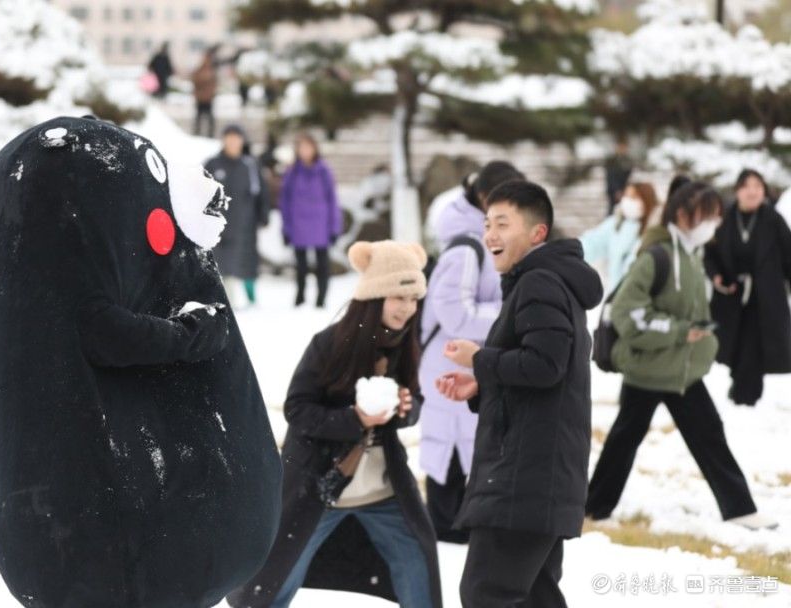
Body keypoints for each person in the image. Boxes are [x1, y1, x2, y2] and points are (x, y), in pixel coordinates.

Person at [227, 240, 442, 608]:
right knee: (273, 583)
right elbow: (298, 409)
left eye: (413, 299)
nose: (407, 309)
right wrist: (354, 418)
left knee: (418, 569)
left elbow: (416, 402)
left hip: (384, 492)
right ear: (375, 297)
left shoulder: (406, 345)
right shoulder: (330, 345)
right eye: (398, 298)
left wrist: (406, 408)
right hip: (320, 489)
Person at [435, 180, 604, 607]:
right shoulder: (544, 282)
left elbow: (545, 366)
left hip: (525, 480)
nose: (490, 234)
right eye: (487, 223)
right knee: (532, 597)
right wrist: (484, 381)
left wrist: (480, 359)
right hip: (536, 478)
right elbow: (545, 371)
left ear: (537, 233)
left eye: (503, 224)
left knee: (485, 594)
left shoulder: (539, 283)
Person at [586, 181, 777, 530]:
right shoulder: (656, 255)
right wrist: (678, 331)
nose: (715, 223)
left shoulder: (691, 253)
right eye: (710, 215)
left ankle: (740, 509)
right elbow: (629, 312)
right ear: (686, 215)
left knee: (708, 437)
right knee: (623, 442)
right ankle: (593, 508)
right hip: (649, 371)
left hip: (682, 372)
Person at [418, 161, 522, 544]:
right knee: (452, 453)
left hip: (467, 365)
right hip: (449, 365)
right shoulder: (465, 247)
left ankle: (459, 527)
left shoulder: (483, 240)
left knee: (469, 449)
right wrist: (509, 317)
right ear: (486, 199)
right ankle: (448, 532)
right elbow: (455, 313)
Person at [705, 169, 791, 406]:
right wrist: (716, 277)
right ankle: (741, 388)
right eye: (747, 186)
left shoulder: (773, 220)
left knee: (755, 347)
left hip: (765, 298)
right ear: (737, 191)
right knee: (734, 345)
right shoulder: (725, 218)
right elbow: (708, 252)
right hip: (732, 295)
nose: (752, 191)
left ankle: (746, 397)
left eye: (758, 186)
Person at [206, 125, 271, 307]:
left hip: (245, 223)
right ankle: (227, 302)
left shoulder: (250, 165)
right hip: (220, 225)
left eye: (237, 138)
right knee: (222, 265)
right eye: (230, 137)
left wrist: (263, 214)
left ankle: (252, 300)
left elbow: (262, 193)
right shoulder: (213, 163)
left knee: (247, 262)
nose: (233, 142)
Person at [278, 132, 342, 308]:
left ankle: (321, 300)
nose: (305, 151)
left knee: (322, 266)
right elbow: (285, 201)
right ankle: (300, 298)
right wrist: (286, 229)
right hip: (299, 225)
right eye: (302, 147)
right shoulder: (292, 172)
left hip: (321, 225)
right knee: (301, 266)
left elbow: (333, 200)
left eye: (308, 147)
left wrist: (335, 228)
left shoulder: (324, 171)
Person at [580, 181, 660, 292]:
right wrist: (570, 251)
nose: (627, 201)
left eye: (633, 197)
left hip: (639, 296)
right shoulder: (616, 224)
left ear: (646, 201)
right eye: (626, 196)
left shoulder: (654, 233)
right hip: (616, 297)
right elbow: (592, 243)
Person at [192, 47, 219, 138]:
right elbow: (196, 80)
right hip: (201, 98)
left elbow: (214, 83)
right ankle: (197, 134)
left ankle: (209, 135)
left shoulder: (211, 70)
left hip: (208, 98)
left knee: (209, 119)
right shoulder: (202, 70)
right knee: (199, 118)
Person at [604, 138, 633, 216]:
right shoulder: (611, 161)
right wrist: (617, 190)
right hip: (614, 190)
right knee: (612, 210)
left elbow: (629, 176)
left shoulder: (628, 160)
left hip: (624, 190)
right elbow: (611, 177)